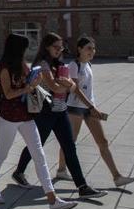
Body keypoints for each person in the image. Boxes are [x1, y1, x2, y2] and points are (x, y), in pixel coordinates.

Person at [0, 33, 77, 209]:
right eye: (24, 48)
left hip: (27, 116)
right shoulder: (4, 67)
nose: (27, 51)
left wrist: (36, 82)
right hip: (8, 118)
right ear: (17, 48)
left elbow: (30, 85)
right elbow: (8, 94)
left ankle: (52, 200)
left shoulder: (23, 65)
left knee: (39, 155)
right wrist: (27, 88)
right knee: (1, 153)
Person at [10, 33, 107, 198]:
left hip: (60, 111)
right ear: (47, 47)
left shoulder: (59, 64)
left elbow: (70, 86)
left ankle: (82, 186)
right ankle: (19, 171)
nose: (59, 50)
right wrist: (68, 86)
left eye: (61, 47)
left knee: (70, 147)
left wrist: (68, 86)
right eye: (56, 47)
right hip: (45, 112)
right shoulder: (43, 65)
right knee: (37, 144)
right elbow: (55, 87)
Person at [58, 36, 134, 187]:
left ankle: (117, 177)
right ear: (79, 49)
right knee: (70, 142)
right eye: (88, 48)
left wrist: (93, 106)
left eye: (93, 48)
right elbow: (76, 90)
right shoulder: (73, 66)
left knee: (103, 142)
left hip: (89, 108)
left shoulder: (88, 64)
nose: (92, 51)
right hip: (75, 108)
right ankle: (61, 170)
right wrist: (91, 107)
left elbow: (89, 91)